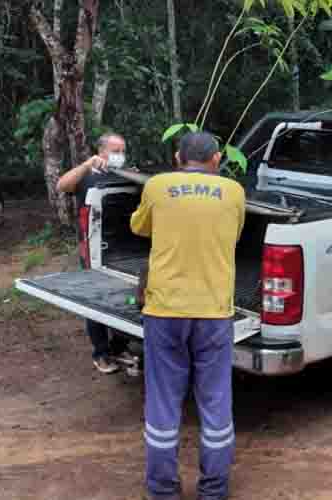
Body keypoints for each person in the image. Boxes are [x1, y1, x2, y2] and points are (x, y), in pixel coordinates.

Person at [130, 131, 245, 500]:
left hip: (165, 311)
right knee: (215, 400)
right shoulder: (234, 191)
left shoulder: (158, 185)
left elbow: (139, 227)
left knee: (163, 400)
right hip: (214, 312)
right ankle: (214, 490)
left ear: (178, 156)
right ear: (216, 160)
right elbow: (236, 234)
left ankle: (162, 490)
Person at [57, 132, 136, 374]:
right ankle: (101, 352)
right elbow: (62, 185)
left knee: (127, 298)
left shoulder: (127, 172)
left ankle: (120, 346)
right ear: (101, 151)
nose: (119, 156)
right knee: (96, 299)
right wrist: (86, 165)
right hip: (94, 247)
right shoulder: (88, 174)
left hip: (126, 248)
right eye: (115, 151)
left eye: (122, 151)